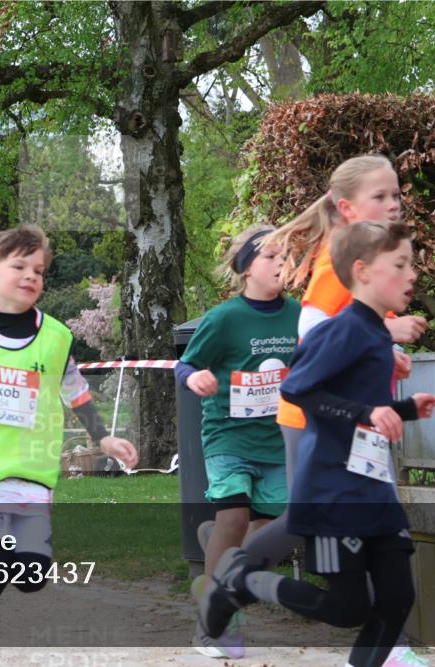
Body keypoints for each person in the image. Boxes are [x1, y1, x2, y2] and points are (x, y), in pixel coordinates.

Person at [212, 154, 431, 666]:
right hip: (317, 418)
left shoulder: (377, 257)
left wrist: (385, 356)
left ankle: (385, 640)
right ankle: (238, 577)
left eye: (396, 195)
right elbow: (310, 336)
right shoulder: (340, 259)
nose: (393, 204)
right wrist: (382, 337)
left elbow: (350, 343)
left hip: (356, 418)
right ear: (346, 207)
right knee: (316, 515)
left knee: (342, 520)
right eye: (381, 197)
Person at [0, 224, 138, 667]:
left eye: (38, 270)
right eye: (19, 266)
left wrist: (104, 436)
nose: (30, 276)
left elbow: (76, 391)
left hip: (32, 470)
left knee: (32, 575)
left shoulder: (57, 338)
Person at [175, 225, 299, 658]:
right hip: (228, 435)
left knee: (279, 528)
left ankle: (219, 557)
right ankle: (211, 625)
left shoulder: (300, 315)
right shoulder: (224, 318)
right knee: (233, 516)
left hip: (277, 439)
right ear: (246, 267)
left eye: (285, 255)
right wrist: (196, 376)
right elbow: (184, 365)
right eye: (270, 256)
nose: (281, 263)